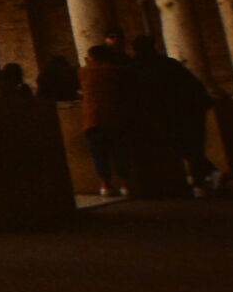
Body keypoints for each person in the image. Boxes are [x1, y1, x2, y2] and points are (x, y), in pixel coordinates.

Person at [129, 34, 221, 195]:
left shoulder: (141, 67)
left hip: (170, 112)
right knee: (192, 144)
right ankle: (203, 178)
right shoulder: (169, 63)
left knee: (180, 144)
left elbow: (146, 93)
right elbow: (193, 84)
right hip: (190, 108)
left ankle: (205, 178)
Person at [80, 42, 134, 197]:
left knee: (99, 153)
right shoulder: (118, 71)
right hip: (116, 117)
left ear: (91, 57)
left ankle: (105, 185)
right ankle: (125, 184)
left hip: (93, 120)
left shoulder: (83, 72)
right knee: (120, 152)